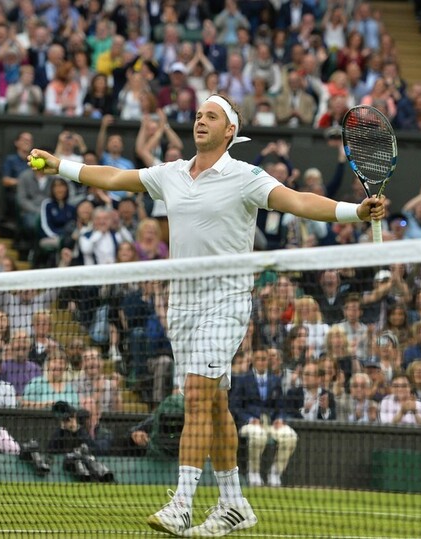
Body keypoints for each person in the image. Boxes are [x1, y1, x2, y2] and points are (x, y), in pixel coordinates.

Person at [29, 93, 384, 537]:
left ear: (230, 130)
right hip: (182, 306)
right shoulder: (172, 173)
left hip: (226, 302)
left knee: (196, 396)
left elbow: (297, 201)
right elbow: (116, 177)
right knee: (214, 404)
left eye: (210, 116)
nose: (200, 120)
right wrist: (59, 164)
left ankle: (181, 504)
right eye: (198, 115)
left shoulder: (246, 177)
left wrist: (353, 212)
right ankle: (234, 503)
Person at [229, 349, 298, 488]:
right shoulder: (243, 380)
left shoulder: (275, 380)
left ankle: (275, 473)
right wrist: (249, 419)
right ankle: (253, 472)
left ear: (268, 361)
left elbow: (281, 406)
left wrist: (280, 418)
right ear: (253, 361)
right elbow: (235, 406)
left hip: (271, 423)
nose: (261, 362)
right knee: (258, 435)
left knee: (291, 436)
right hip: (249, 423)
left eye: (264, 359)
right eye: (258, 359)